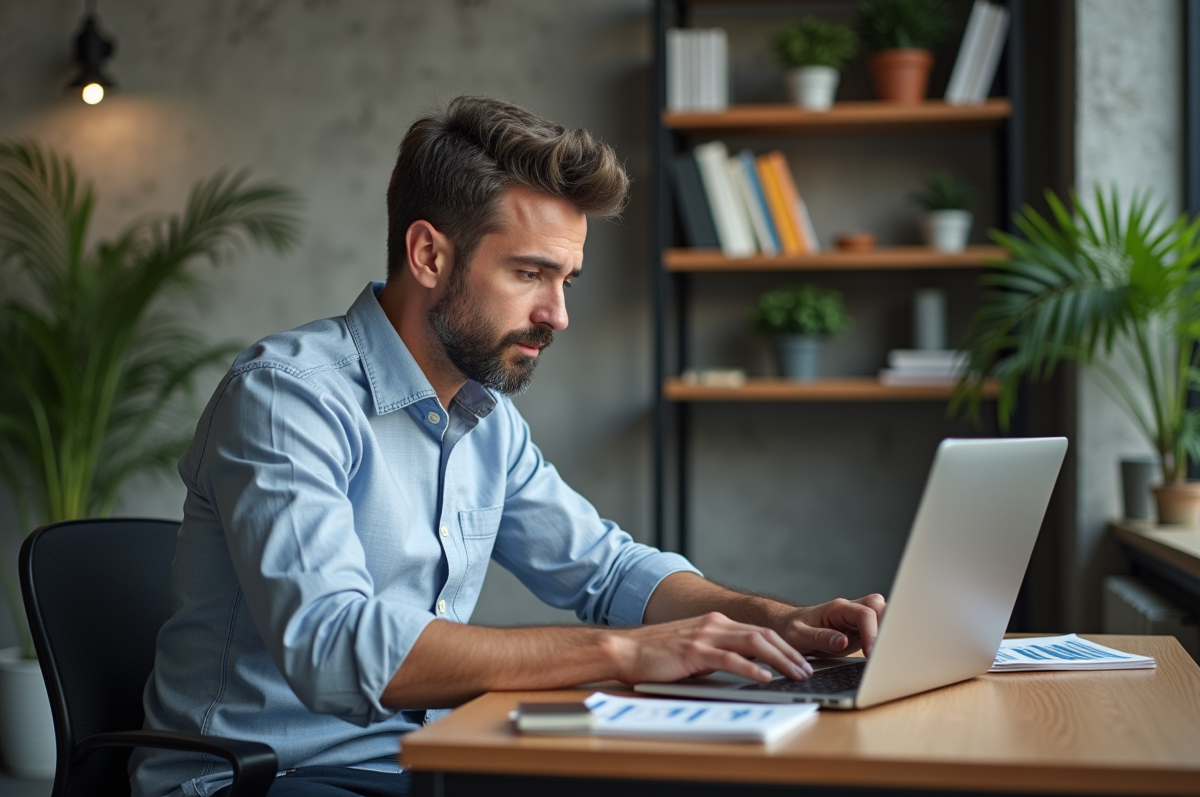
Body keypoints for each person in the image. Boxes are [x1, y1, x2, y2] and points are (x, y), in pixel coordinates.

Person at [132, 96, 885, 797]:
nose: (557, 314)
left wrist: (766, 619)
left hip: (419, 762)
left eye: (567, 280)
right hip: (258, 780)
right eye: (529, 273)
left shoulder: (484, 417)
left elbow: (610, 570)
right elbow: (334, 648)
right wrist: (625, 653)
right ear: (429, 255)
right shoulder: (288, 396)